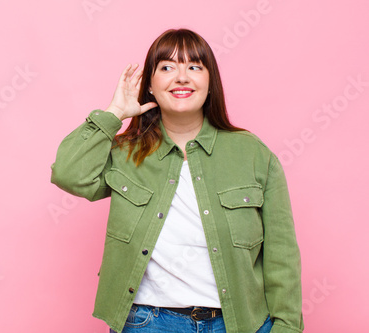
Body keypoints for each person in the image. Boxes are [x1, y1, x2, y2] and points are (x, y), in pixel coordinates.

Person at [51, 28, 303, 333]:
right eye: (167, 67)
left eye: (194, 67)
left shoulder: (253, 154)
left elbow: (282, 256)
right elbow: (67, 173)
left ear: (210, 84)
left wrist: (287, 327)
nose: (182, 77)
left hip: (240, 324)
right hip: (147, 323)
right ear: (151, 87)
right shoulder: (126, 153)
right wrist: (114, 113)